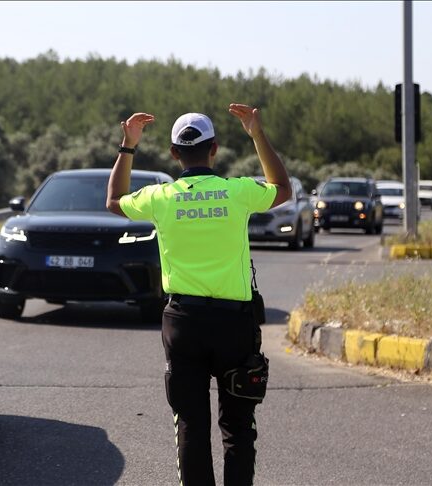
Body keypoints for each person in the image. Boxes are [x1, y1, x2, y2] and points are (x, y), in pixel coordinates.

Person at [106, 104, 291, 485]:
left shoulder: (161, 197)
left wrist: (128, 146)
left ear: (174, 153)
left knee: (190, 425)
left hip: (183, 323)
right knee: (238, 426)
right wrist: (257, 134)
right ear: (215, 149)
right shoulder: (237, 192)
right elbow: (283, 188)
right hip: (234, 324)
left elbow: (114, 200)